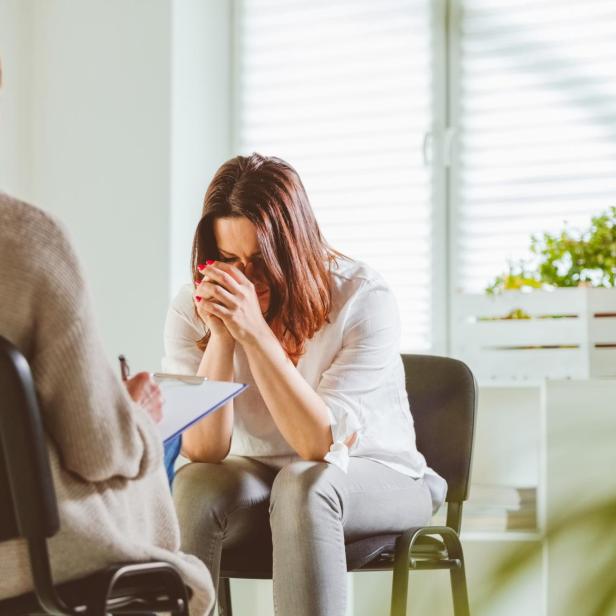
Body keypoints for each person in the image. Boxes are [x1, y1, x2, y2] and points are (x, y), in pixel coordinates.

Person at [163, 153, 447, 616]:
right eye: (228, 261)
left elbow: (318, 445)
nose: (244, 281)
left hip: (374, 473)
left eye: (259, 262)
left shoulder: (362, 297)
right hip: (260, 476)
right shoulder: (194, 303)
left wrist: (254, 333)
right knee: (193, 483)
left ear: (293, 251)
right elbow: (205, 448)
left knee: (304, 484)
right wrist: (221, 337)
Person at [0, 61, 213, 614]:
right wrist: (134, 411)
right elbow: (98, 451)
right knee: (151, 453)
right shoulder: (28, 244)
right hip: (29, 562)